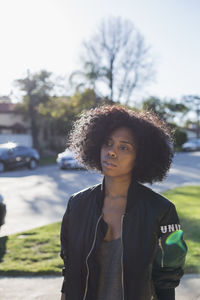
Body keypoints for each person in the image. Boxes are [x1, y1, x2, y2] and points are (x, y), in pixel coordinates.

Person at [60, 105, 187, 300]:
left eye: (124, 147)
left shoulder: (162, 210)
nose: (111, 152)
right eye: (107, 143)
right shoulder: (77, 204)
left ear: (140, 157)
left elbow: (168, 273)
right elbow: (70, 269)